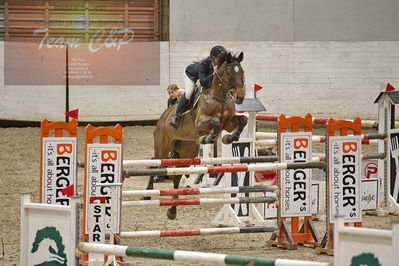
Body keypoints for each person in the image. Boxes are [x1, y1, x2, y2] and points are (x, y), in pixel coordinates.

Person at [169, 45, 227, 128]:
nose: (221, 61)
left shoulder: (219, 65)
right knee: (189, 92)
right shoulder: (205, 64)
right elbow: (203, 82)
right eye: (220, 59)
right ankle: (176, 116)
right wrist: (213, 74)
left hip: (203, 76)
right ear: (213, 58)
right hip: (190, 74)